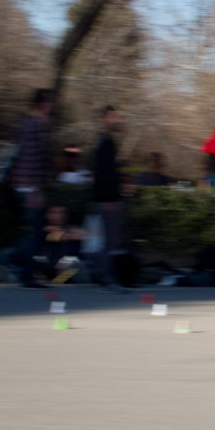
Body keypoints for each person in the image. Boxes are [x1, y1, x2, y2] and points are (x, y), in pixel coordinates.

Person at [10, 88, 55, 289]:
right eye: (49, 101)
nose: (51, 105)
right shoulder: (35, 124)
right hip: (29, 187)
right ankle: (22, 270)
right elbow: (32, 158)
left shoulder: (29, 122)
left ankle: (23, 270)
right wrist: (36, 189)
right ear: (41, 103)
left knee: (35, 230)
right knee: (35, 232)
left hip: (25, 184)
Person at [92, 105, 127, 292]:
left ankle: (102, 274)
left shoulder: (106, 142)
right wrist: (111, 199)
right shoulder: (105, 143)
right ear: (104, 119)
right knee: (112, 239)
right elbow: (104, 175)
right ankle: (106, 277)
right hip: (108, 200)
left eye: (118, 117)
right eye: (113, 117)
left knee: (111, 239)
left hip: (106, 198)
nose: (117, 120)